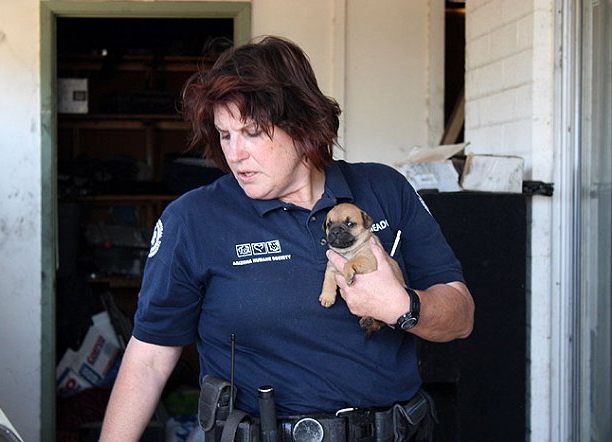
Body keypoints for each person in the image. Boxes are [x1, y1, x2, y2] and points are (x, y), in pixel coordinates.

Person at [100, 36, 474, 441]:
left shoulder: (384, 189)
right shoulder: (193, 221)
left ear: (303, 125)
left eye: (253, 132)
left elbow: (461, 317)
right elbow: (149, 360)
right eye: (225, 135)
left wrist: (403, 305)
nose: (235, 154)